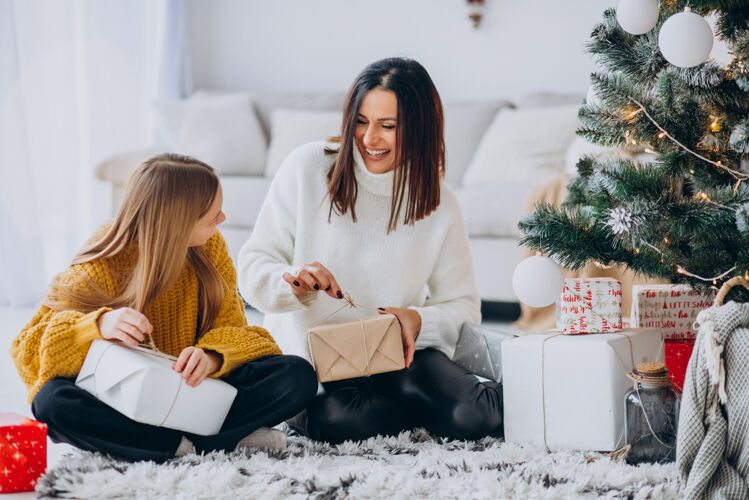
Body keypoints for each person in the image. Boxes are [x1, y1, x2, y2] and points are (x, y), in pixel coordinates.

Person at [237, 57, 503, 444]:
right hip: (318, 356)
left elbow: (463, 306)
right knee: (340, 422)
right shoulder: (308, 167)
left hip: (397, 354)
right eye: (360, 121)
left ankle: (422, 407)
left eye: (388, 126)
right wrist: (293, 282)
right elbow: (252, 266)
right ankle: (420, 412)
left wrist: (417, 321)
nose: (369, 139)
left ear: (420, 129)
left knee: (474, 413)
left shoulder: (439, 202)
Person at [10, 154, 318, 462]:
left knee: (297, 375)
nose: (222, 219)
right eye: (213, 215)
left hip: (196, 394)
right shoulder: (105, 256)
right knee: (50, 403)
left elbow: (237, 329)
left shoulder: (210, 248)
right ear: (178, 220)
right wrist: (97, 326)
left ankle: (164, 444)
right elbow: (27, 350)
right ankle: (194, 444)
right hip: (126, 404)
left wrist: (212, 358)